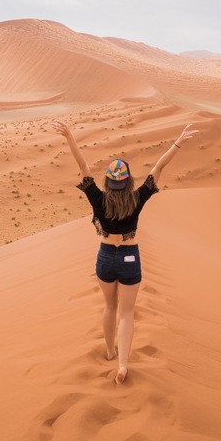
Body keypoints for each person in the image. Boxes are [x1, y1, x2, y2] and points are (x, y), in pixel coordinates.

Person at [52, 120, 199, 384]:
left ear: (108, 182)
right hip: (130, 258)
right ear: (128, 180)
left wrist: (70, 137)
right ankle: (122, 364)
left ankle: (110, 351)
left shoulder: (97, 197)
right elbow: (159, 167)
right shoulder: (137, 198)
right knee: (127, 313)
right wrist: (178, 141)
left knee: (110, 306)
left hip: (105, 257)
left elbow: (83, 166)